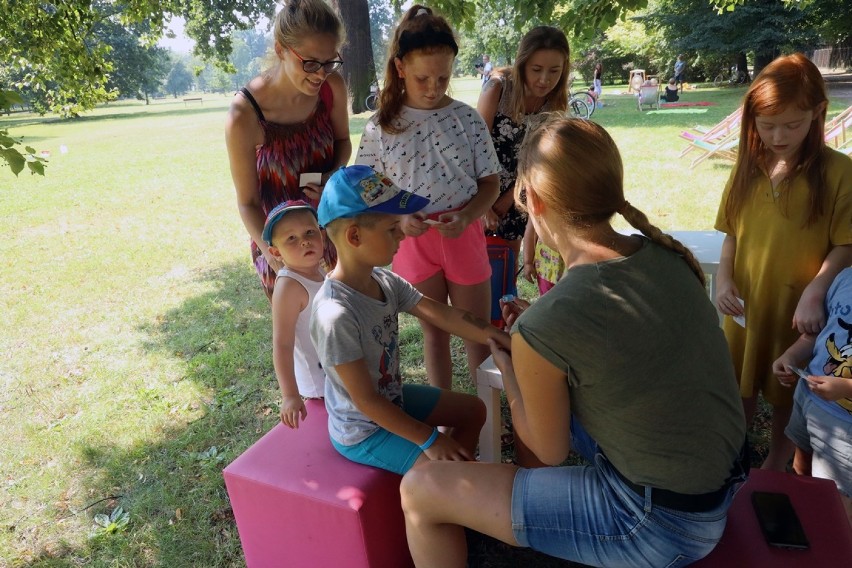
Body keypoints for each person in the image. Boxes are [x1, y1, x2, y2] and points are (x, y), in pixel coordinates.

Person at [399, 117, 748, 568]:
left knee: (420, 490)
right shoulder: (666, 256)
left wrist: (511, 364)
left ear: (534, 201)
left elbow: (548, 449)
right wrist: (538, 344)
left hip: (658, 524)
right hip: (718, 485)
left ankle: (524, 524)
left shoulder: (547, 324)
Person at [310, 165, 511, 475]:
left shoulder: (384, 281)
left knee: (473, 410)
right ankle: (451, 489)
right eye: (392, 228)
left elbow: (442, 314)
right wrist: (430, 441)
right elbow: (365, 401)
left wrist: (495, 335)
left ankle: (457, 480)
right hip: (363, 431)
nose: (403, 233)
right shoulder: (334, 314)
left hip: (393, 400)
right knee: (440, 471)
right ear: (354, 236)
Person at [715, 52, 852, 471]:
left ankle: (779, 461)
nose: (778, 136)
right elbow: (732, 234)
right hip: (747, 307)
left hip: (801, 314)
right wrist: (722, 279)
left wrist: (817, 289)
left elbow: (846, 244)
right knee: (737, 385)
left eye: (792, 124)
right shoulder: (747, 169)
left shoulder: (839, 172)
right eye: (767, 124)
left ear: (817, 114)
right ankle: (730, 455)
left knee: (787, 389)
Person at [356, 5, 502, 391]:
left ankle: (487, 419)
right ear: (400, 67)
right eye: (423, 78)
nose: (434, 87)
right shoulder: (380, 128)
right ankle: (446, 421)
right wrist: (398, 221)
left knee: (477, 331)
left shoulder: (467, 118)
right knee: (434, 335)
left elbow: (491, 182)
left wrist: (469, 217)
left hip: (463, 236)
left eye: (443, 76)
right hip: (411, 241)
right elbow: (368, 189)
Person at [225, 0, 351, 300]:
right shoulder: (245, 114)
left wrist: (331, 176)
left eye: (329, 62)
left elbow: (343, 143)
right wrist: (275, 257)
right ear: (281, 50)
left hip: (328, 233)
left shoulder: (332, 87)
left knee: (344, 333)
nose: (320, 74)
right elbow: (247, 203)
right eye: (309, 63)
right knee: (298, 344)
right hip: (282, 247)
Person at [477, 26, 571, 279]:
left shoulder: (555, 102)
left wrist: (511, 198)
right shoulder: (497, 89)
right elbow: (473, 150)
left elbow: (542, 160)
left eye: (554, 71)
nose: (544, 80)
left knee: (505, 272)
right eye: (536, 69)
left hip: (521, 193)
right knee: (475, 273)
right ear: (522, 65)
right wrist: (484, 204)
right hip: (480, 189)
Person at [773, 267, 852, 528]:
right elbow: (817, 332)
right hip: (807, 398)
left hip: (843, 427)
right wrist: (792, 356)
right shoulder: (845, 277)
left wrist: (846, 387)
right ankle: (805, 522)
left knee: (836, 503)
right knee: (801, 468)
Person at [262, 200, 326, 428]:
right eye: (292, 238)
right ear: (276, 252)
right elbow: (283, 344)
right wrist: (290, 395)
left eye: (310, 232)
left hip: (339, 373)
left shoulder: (319, 270)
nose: (305, 241)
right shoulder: (289, 286)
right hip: (321, 385)